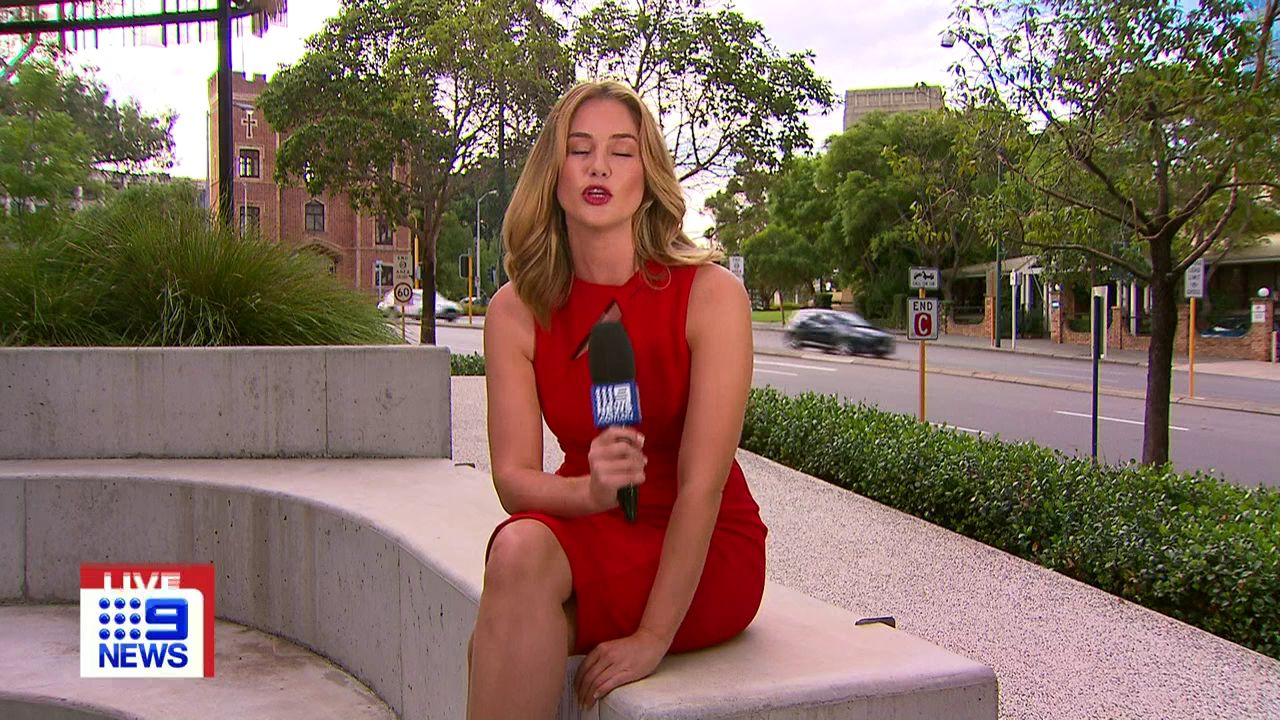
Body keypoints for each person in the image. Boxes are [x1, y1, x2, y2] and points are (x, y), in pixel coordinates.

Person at [467, 80, 767, 719]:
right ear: (553, 174)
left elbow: (702, 488)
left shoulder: (711, 296)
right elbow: (514, 479)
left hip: (703, 541)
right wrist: (591, 493)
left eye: (621, 151)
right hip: (589, 520)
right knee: (515, 555)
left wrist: (652, 637)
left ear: (647, 175)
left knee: (511, 620)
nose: (598, 166)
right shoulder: (515, 310)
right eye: (579, 150)